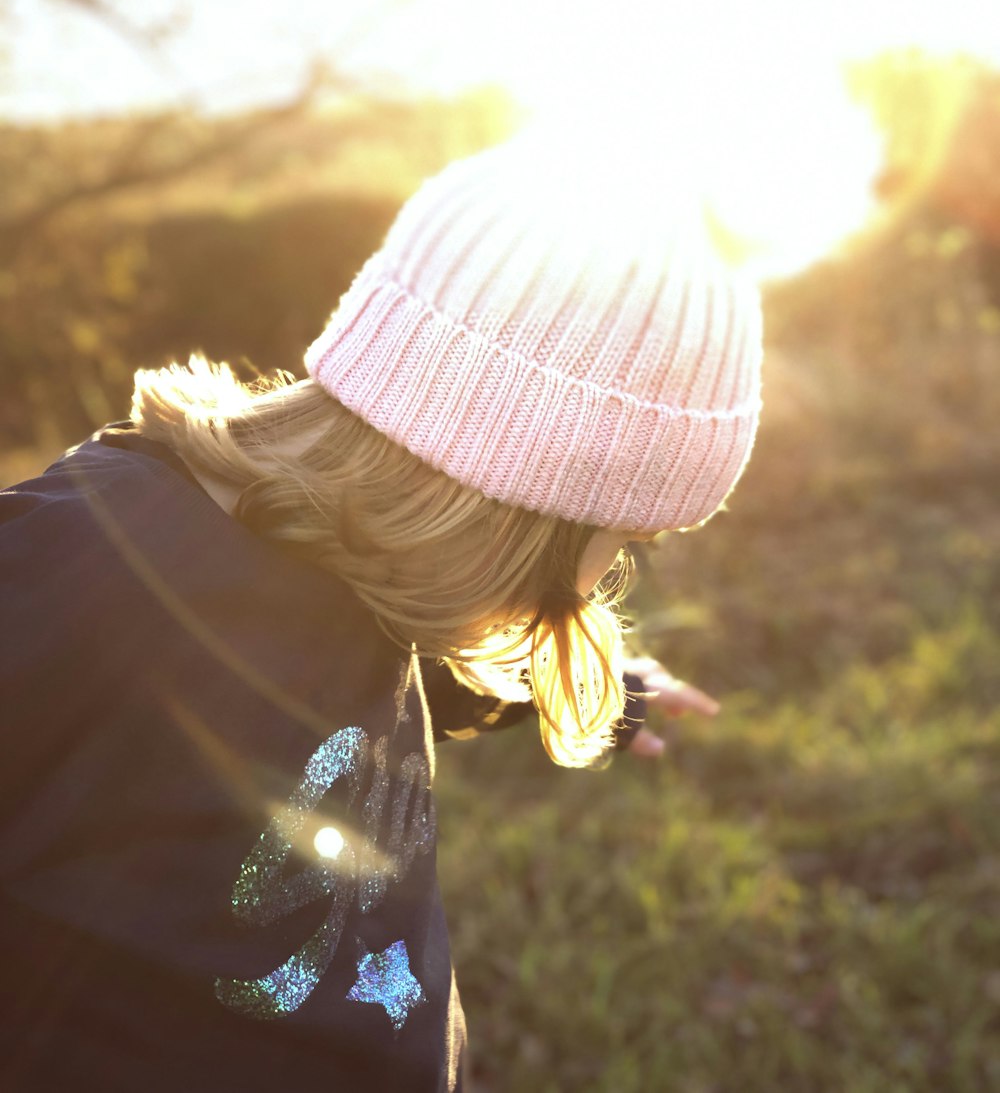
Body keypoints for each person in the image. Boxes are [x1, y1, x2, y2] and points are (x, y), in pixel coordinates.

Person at [0, 132, 763, 1090]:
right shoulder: (83, 565)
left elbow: (376, 680)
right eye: (624, 539)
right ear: (510, 510)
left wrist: (604, 699)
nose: (613, 577)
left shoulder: (354, 569)